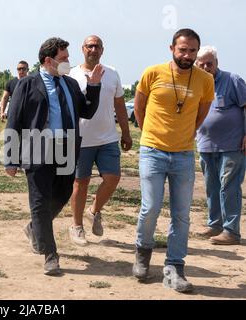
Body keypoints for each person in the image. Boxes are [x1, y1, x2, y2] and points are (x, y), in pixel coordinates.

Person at [4, 37, 103, 276]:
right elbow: (14, 120)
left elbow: (87, 111)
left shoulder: (69, 84)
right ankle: (51, 255)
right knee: (39, 201)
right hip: (37, 149)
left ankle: (35, 227)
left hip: (66, 149)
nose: (68, 62)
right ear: (48, 60)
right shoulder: (27, 84)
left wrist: (94, 86)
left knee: (62, 194)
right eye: (63, 58)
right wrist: (11, 158)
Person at [132, 29, 215, 293]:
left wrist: (186, 135)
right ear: (172, 49)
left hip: (183, 154)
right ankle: (143, 253)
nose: (187, 55)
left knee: (181, 214)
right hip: (152, 151)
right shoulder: (153, 73)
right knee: (151, 207)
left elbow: (202, 112)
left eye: (192, 51)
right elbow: (139, 106)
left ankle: (174, 267)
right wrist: (149, 136)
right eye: (182, 50)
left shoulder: (204, 80)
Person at [69, 35, 132, 246]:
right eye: (89, 46)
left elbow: (120, 106)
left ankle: (93, 210)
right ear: (83, 49)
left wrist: (126, 131)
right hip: (81, 138)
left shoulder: (112, 73)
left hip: (108, 138)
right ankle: (77, 227)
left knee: (113, 178)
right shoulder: (72, 74)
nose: (93, 49)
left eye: (97, 46)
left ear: (102, 50)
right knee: (81, 183)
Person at [195, 46, 246, 245]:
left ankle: (231, 231)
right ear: (196, 64)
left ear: (217, 63)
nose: (206, 67)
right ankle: (215, 224)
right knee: (212, 187)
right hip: (206, 145)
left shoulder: (233, 80)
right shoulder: (196, 83)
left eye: (210, 63)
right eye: (202, 64)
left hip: (232, 145)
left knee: (229, 187)